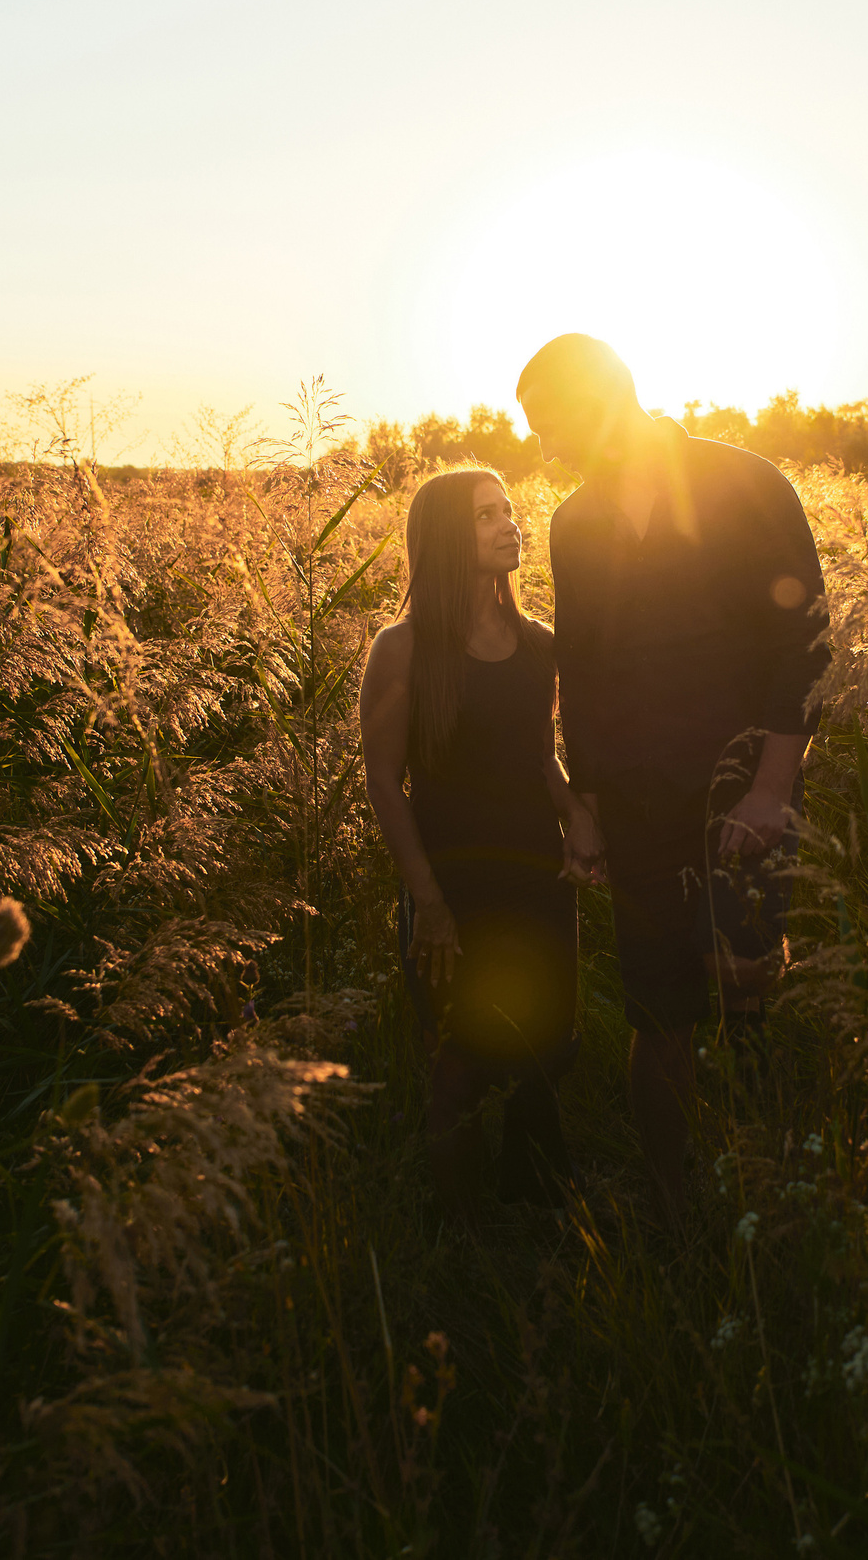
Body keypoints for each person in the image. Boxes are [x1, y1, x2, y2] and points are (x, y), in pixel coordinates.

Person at [516, 333, 830, 1226]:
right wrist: (591, 806)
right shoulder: (574, 523)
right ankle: (673, 1208)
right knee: (659, 1013)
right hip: (639, 807)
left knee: (749, 1000)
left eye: (551, 423)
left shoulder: (746, 484)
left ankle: (780, 1201)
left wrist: (772, 788)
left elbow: (804, 642)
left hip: (742, 797)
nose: (545, 448)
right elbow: (582, 668)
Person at [359, 467, 607, 1211]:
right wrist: (426, 898)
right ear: (443, 537)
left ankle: (535, 1211)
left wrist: (578, 819)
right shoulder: (402, 649)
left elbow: (538, 757)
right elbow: (382, 780)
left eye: (509, 508)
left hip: (535, 875)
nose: (511, 523)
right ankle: (458, 1232)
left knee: (540, 1049)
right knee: (459, 1060)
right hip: (452, 883)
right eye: (485, 515)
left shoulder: (539, 644)